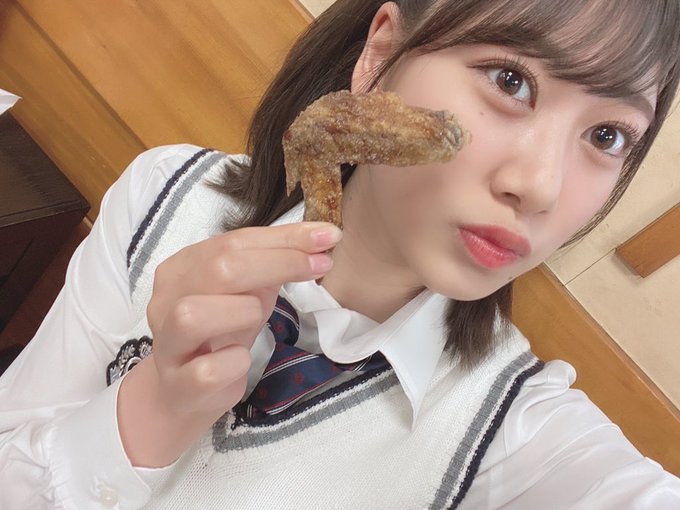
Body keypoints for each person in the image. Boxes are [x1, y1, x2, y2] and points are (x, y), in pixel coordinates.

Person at [2, 0, 680, 508]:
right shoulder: (172, 193)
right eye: (510, 80)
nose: (541, 187)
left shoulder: (514, 435)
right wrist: (151, 410)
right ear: (381, 52)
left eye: (607, 136)